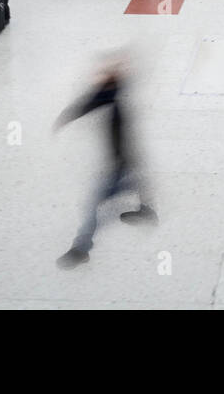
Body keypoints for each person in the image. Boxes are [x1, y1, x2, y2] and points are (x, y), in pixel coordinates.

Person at [55, 66, 158, 270]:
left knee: (92, 204)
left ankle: (81, 249)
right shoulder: (115, 100)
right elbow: (90, 103)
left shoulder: (114, 105)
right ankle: (147, 210)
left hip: (118, 166)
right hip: (124, 163)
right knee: (134, 181)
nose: (97, 82)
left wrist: (66, 117)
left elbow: (91, 103)